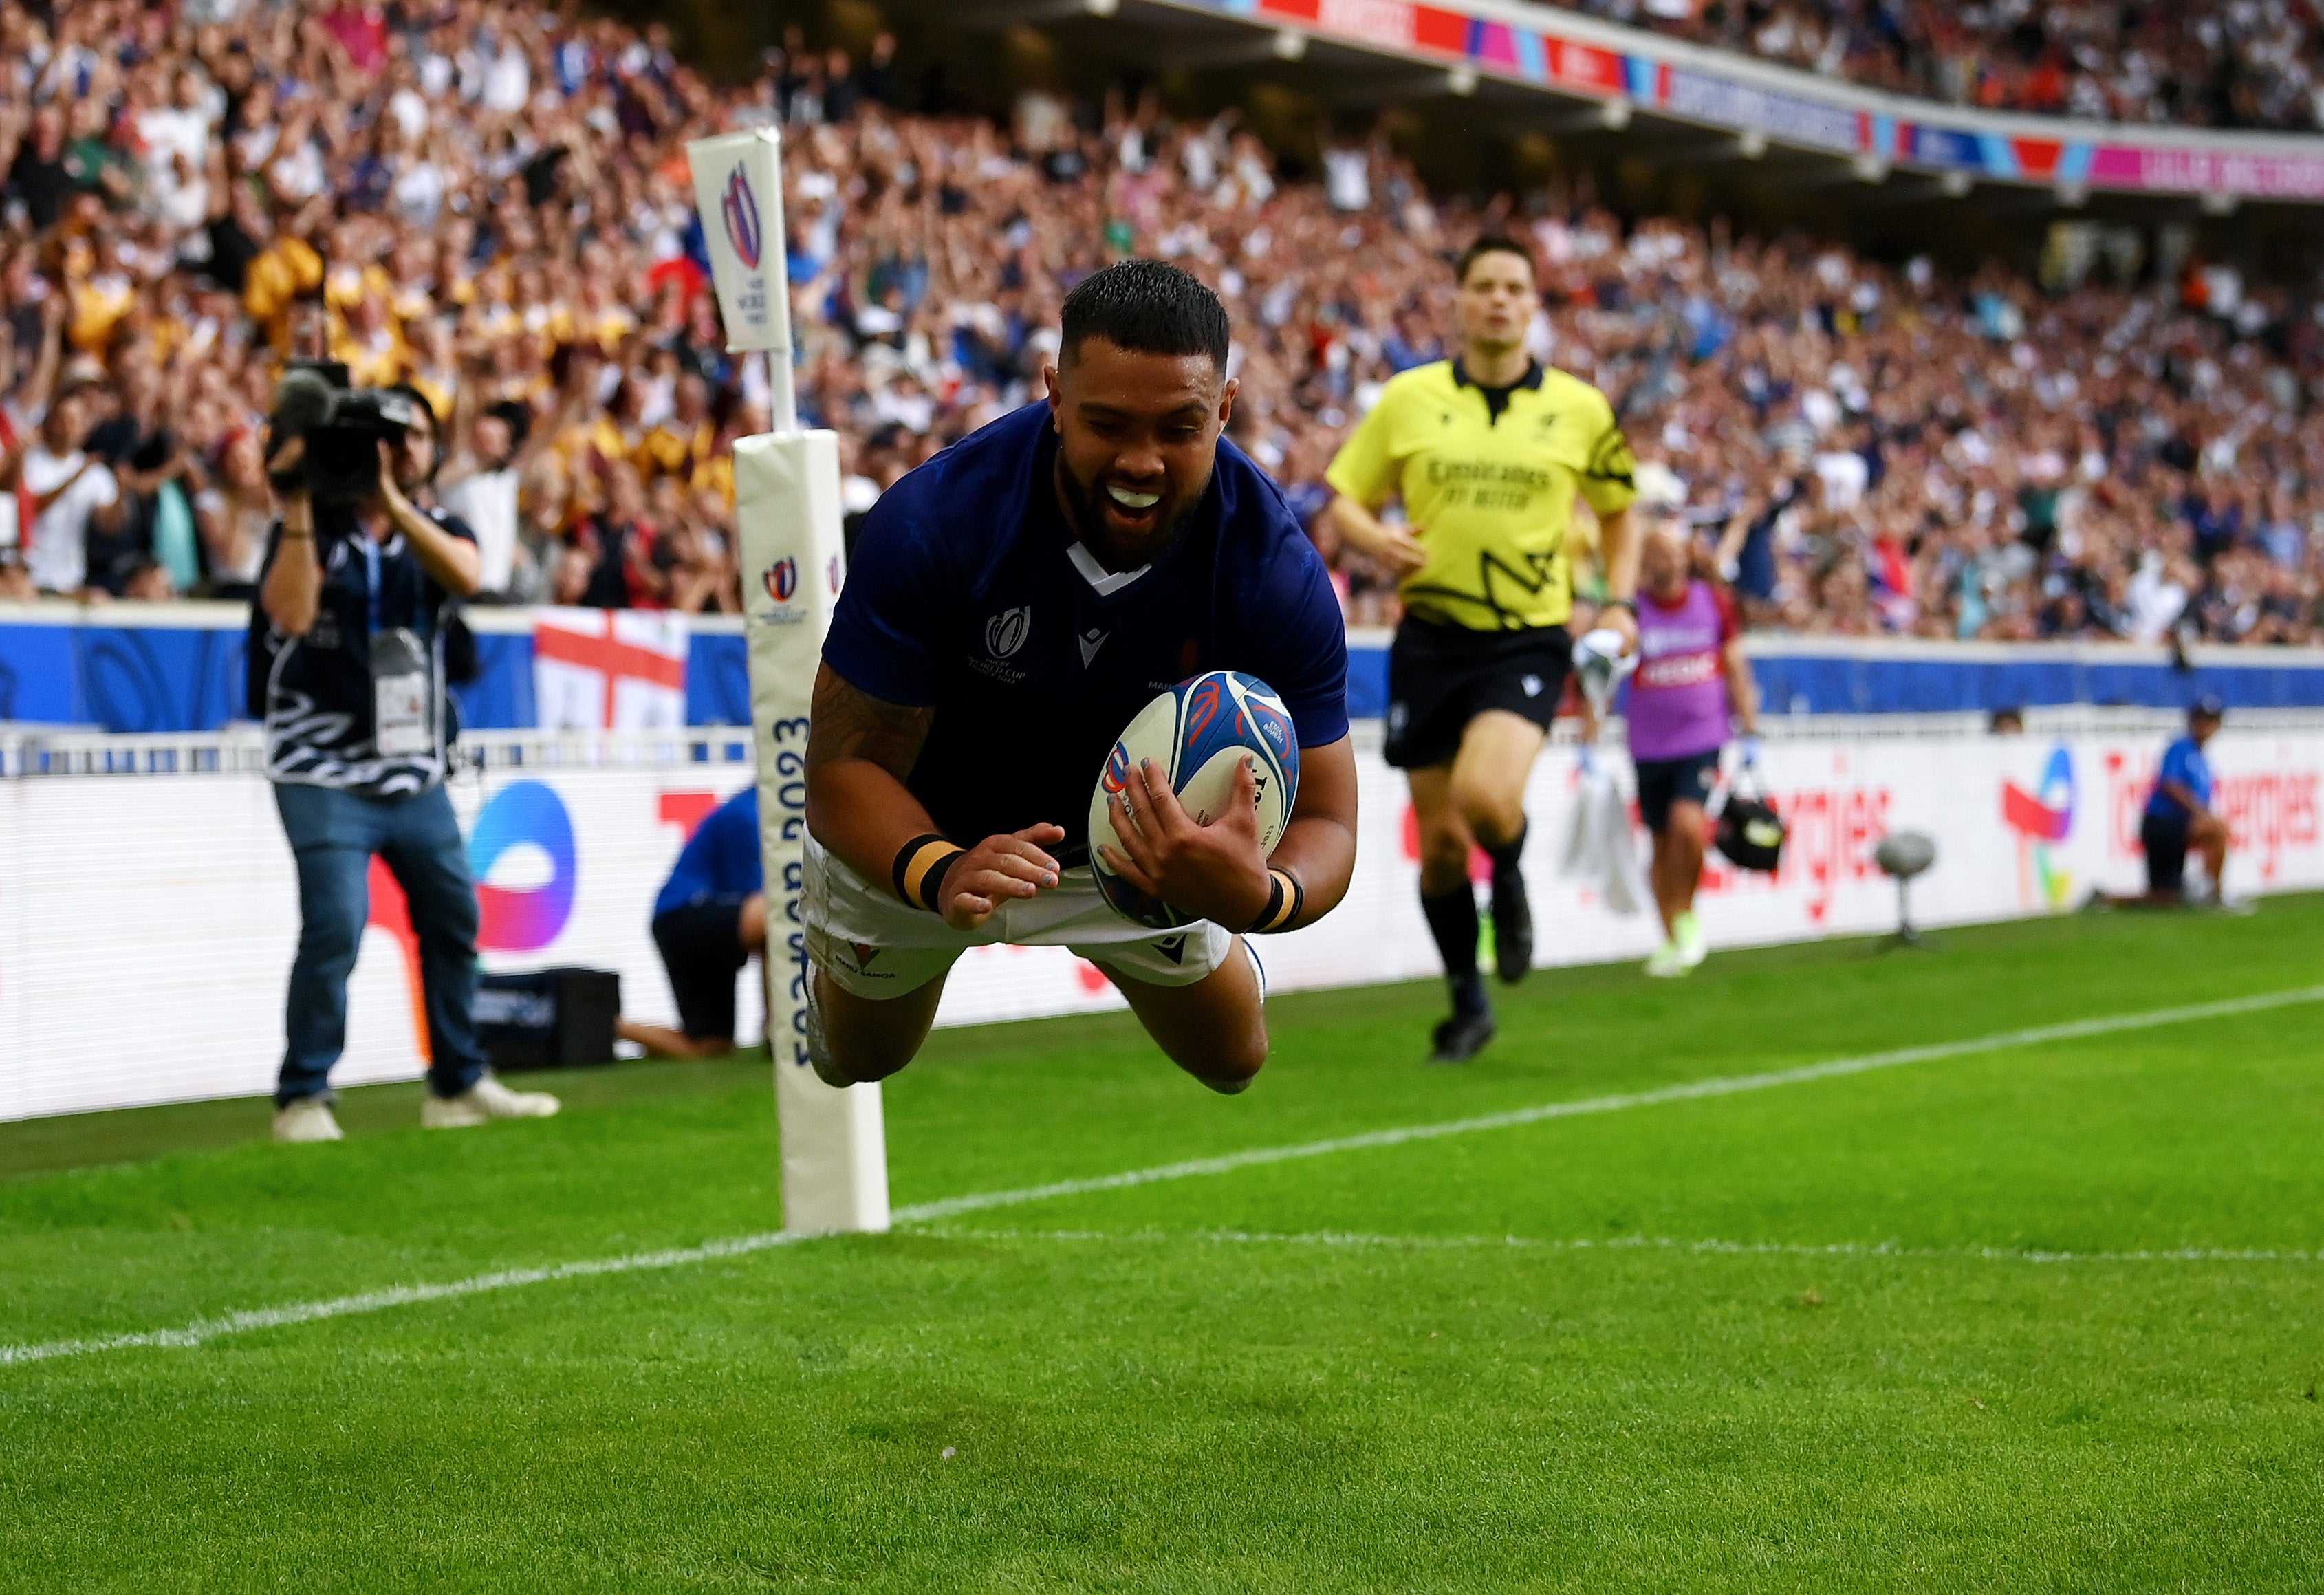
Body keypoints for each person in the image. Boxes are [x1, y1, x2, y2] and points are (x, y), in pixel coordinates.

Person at [803, 261, 1357, 1095]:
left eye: (1180, 428)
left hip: (1137, 857)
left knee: (1233, 1061)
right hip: (931, 836)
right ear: (1054, 396)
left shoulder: (1271, 568)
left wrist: (1263, 895)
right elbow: (843, 769)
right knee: (858, 1061)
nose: (1142, 462)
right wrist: (938, 868)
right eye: (1107, 424)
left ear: (1227, 410)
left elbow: (1330, 819)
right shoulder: (935, 522)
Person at [1323, 236, 1640, 1062]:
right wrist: (1376, 539)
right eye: (1484, 287)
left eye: (1514, 287)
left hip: (1526, 638)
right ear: (1459, 301)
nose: (1499, 300)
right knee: (1439, 845)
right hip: (1429, 636)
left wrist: (1617, 600)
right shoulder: (1408, 397)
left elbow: (1619, 510)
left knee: (1488, 800)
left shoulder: (1579, 409)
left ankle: (1510, 874)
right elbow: (1343, 499)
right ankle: (1467, 1001)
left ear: (1535, 304)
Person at [256, 388, 560, 1142]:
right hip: (320, 769)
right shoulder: (310, 528)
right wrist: (299, 499)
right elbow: (289, 615)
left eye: (413, 437)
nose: (399, 451)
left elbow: (466, 576)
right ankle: (304, 1096)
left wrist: (391, 499)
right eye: (384, 440)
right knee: (336, 926)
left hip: (413, 771)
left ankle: (457, 1083)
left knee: (454, 920)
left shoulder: (437, 528)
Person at [1625, 523, 1758, 977]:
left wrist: (1750, 728)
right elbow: (1603, 674)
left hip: (1700, 738)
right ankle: (1670, 937)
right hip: (1647, 744)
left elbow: (1736, 667)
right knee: (1660, 843)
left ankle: (1686, 914)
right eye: (1659, 553)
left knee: (1687, 824)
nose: (1669, 562)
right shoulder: (1631, 611)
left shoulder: (1712, 603)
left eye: (1675, 552)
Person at [619, 785, 766, 1059]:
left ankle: (606, 1025)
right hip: (685, 916)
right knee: (777, 914)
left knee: (710, 1048)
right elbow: (757, 907)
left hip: (675, 922)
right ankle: (782, 1033)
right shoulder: (750, 814)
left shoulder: (750, 807)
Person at [2136, 697, 2243, 911]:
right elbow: (2170, 784)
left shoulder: (2202, 759)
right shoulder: (2180, 749)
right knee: (2218, 830)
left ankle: (2107, 899)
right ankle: (2215, 893)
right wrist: (2200, 813)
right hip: (2163, 824)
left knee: (2167, 897)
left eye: (2211, 722)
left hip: (2177, 826)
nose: (2206, 727)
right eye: (2202, 720)